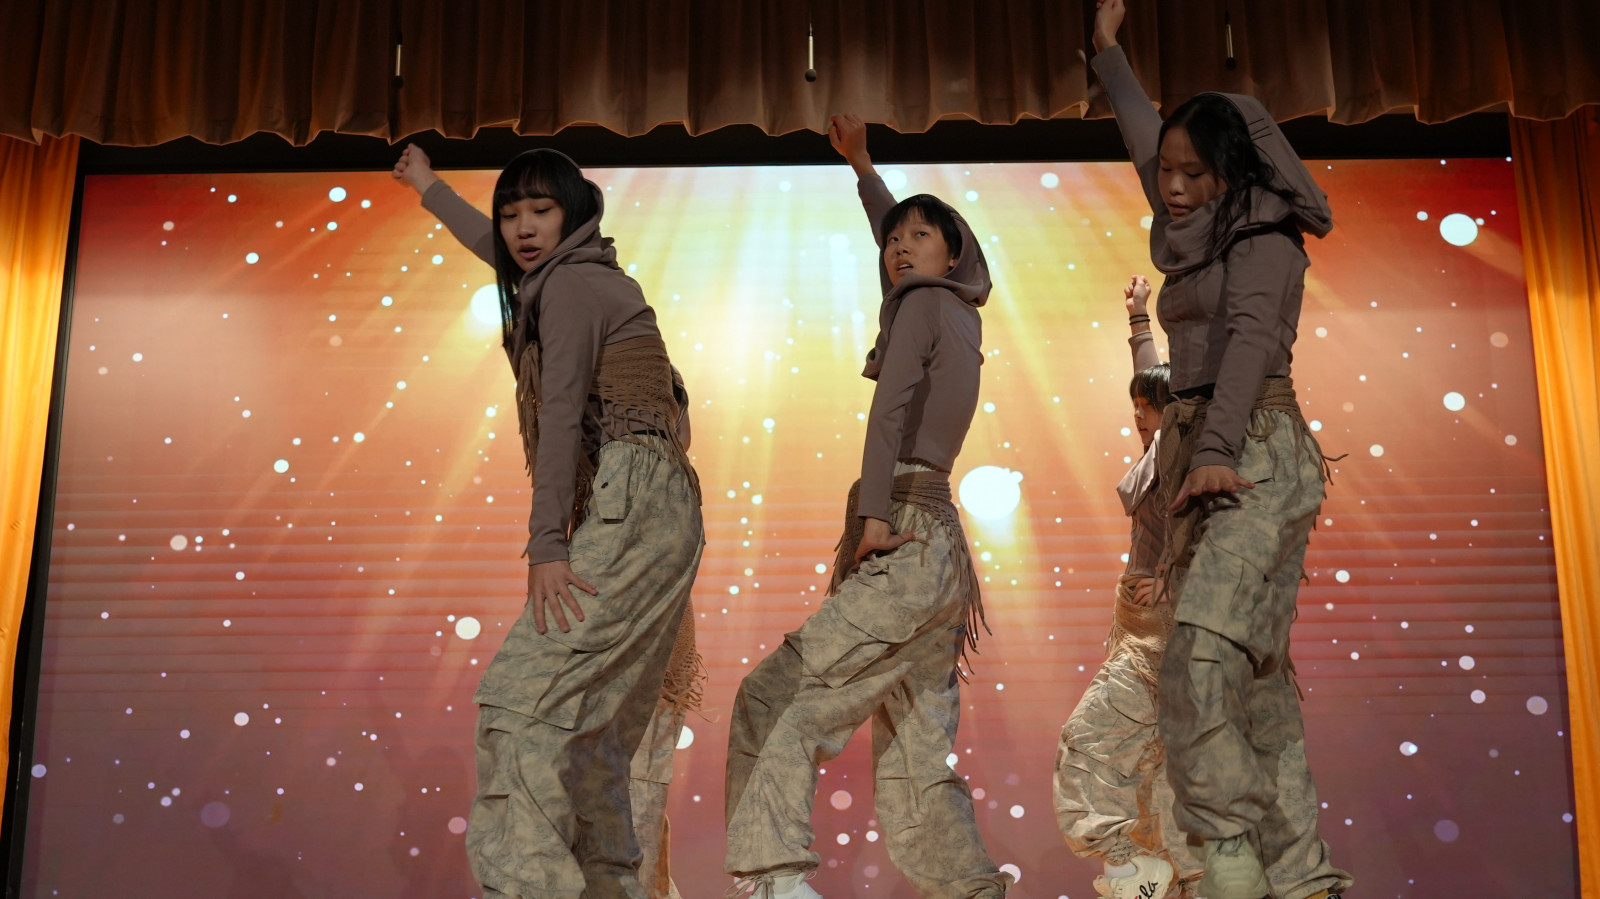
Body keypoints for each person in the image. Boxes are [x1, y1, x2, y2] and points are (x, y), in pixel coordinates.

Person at [1090, 3, 1355, 899]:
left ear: (1230, 169)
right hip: (1196, 450)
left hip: (1254, 448)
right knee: (1257, 679)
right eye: (1165, 170)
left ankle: (1231, 850)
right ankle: (1302, 875)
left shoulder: (1264, 234)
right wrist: (1109, 53)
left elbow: (1247, 344)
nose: (1169, 185)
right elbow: (1143, 139)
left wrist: (1216, 448)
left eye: (1190, 172)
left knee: (1201, 651)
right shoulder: (1190, 219)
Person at [393, 145, 705, 899]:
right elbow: (493, 248)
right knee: (592, 731)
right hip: (654, 502)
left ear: (576, 214)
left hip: (629, 496)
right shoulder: (573, 274)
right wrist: (428, 185)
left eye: (542, 210)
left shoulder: (567, 287)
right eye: (511, 214)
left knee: (519, 707)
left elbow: (561, 414)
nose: (523, 228)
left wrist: (546, 548)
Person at [721, 114, 1009, 899]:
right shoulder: (958, 311)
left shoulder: (920, 305)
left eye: (921, 236)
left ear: (955, 252)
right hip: (940, 554)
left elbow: (889, 413)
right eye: (894, 239)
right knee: (917, 753)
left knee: (774, 696)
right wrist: (863, 167)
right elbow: (900, 240)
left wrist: (873, 516)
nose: (900, 247)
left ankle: (775, 878)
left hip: (901, 530)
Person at [1053, 275, 1203, 899]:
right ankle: (1183, 881)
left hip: (1163, 634)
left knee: (1088, 744)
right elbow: (1154, 379)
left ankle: (1123, 865)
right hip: (1145, 628)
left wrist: (1168, 578)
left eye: (1147, 407)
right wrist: (1138, 319)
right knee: (1159, 768)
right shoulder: (1161, 449)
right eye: (1135, 405)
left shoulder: (1184, 453)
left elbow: (1210, 532)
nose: (1137, 415)